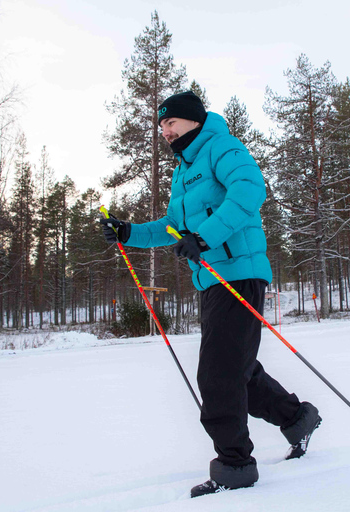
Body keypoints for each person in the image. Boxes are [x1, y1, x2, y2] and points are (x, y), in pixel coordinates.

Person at [101, 91, 321, 498]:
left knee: (218, 373)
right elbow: (172, 225)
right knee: (236, 367)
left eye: (171, 123)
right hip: (212, 280)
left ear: (192, 121)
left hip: (238, 273)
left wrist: (204, 237)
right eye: (161, 126)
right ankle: (296, 418)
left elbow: (251, 190)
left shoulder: (221, 146)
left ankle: (235, 466)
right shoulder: (184, 169)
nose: (164, 131)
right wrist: (128, 232)